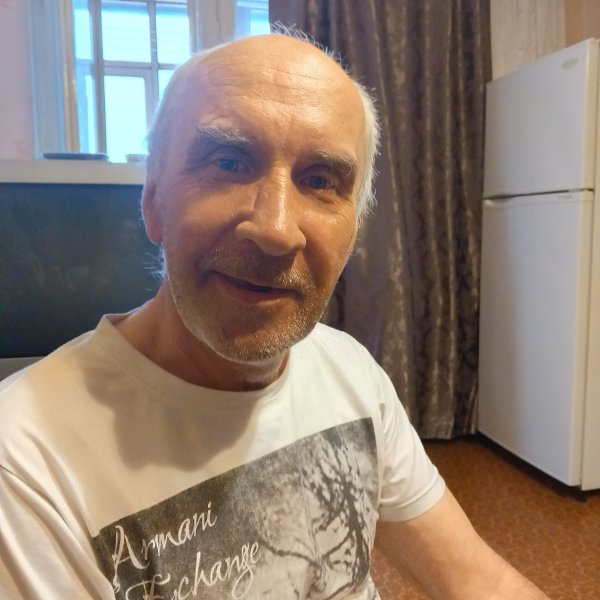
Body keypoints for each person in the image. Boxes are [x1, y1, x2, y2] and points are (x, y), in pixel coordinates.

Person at [0, 32, 549, 600]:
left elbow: (479, 580)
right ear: (153, 201)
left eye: (320, 181)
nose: (276, 230)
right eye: (229, 162)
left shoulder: (350, 372)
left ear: (354, 231)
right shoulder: (24, 464)